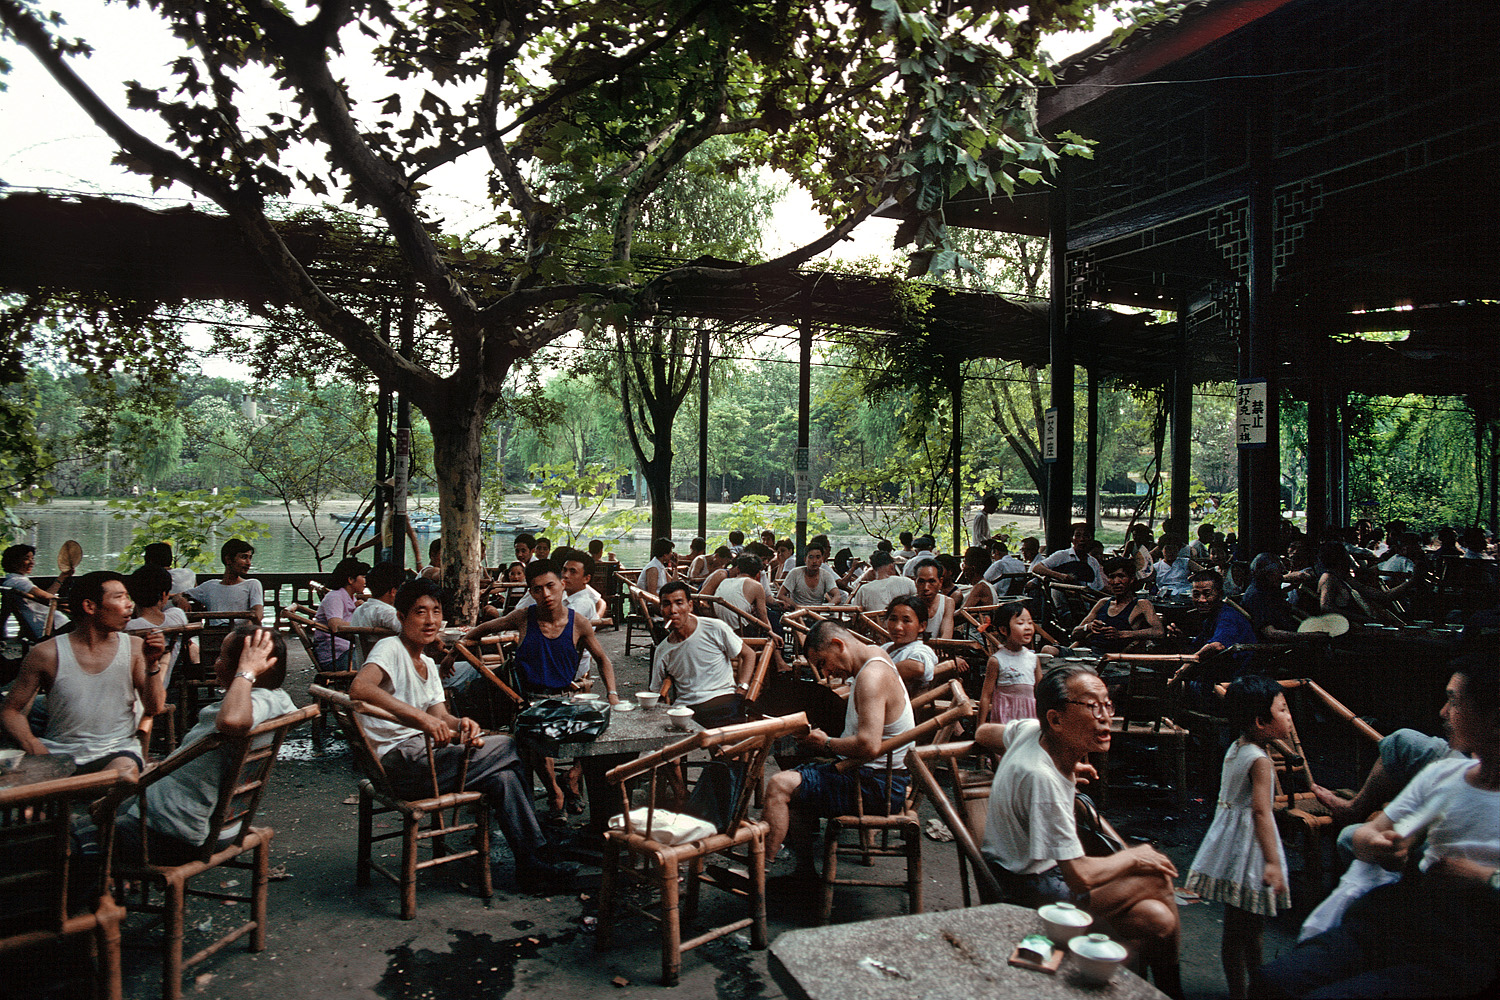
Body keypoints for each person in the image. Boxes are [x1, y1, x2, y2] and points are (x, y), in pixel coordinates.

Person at [1253, 653, 1499, 998]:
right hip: (1403, 919)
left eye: (1455, 702)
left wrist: (1484, 877)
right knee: (1273, 982)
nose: (1443, 713)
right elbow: (1368, 834)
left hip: (1469, 946)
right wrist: (1380, 845)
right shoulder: (1444, 774)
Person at [350, 578, 571, 892]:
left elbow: (441, 716)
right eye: (419, 612)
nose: (430, 621)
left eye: (436, 612)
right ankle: (542, 846)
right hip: (401, 765)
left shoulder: (427, 661)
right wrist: (419, 719)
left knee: (503, 779)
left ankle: (530, 862)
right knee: (511, 743)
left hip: (428, 760)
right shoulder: (391, 648)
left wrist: (462, 723)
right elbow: (360, 688)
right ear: (401, 617)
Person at [976, 663, 1183, 998]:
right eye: (1091, 706)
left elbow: (983, 733)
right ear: (1056, 720)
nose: (1105, 718)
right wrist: (1135, 858)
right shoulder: (1042, 779)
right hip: (1031, 893)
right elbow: (1080, 877)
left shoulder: (1033, 730)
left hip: (1025, 872)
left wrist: (1069, 762)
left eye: (1107, 705)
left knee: (1156, 919)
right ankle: (1173, 992)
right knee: (1156, 879)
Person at [113, 626, 295, 864]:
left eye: (222, 656)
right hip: (212, 826)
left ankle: (106, 893)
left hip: (175, 832)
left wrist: (246, 672)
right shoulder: (277, 699)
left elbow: (231, 721)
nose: (215, 663)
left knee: (72, 839)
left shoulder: (257, 702)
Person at [762, 621, 915, 876]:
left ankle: (762, 868)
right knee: (794, 768)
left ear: (838, 645)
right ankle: (803, 873)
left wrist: (827, 743)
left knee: (779, 785)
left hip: (876, 785)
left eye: (822, 662)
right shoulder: (875, 655)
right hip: (879, 777)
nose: (826, 673)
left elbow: (868, 745)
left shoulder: (871, 677)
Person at [1183, 675, 1292, 999]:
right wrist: (1272, 862)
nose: (1289, 717)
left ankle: (1249, 988)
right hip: (1249, 850)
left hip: (1231, 845)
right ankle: (1247, 991)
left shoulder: (1239, 746)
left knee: (1242, 928)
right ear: (1261, 721)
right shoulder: (1260, 761)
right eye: (1283, 710)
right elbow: (1261, 813)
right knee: (1246, 928)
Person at [1, 570, 168, 780]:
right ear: (90, 606)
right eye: (119, 597)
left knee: (121, 777)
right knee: (22, 802)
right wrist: (32, 744)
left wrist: (152, 664)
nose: (129, 605)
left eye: (128, 597)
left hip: (116, 751)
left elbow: (154, 708)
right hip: (57, 752)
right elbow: (11, 711)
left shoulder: (135, 648)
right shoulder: (46, 653)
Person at [650, 581, 756, 728]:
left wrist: (742, 688)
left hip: (722, 700)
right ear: (661, 609)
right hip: (686, 709)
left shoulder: (714, 628)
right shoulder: (663, 650)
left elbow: (748, 654)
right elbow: (654, 691)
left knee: (724, 748)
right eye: (666, 604)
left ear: (690, 606)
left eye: (679, 603)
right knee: (667, 745)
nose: (673, 610)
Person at [978, 602, 1055, 725]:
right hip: (1005, 719)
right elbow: (986, 696)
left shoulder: (1033, 658)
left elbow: (1040, 692)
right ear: (1003, 630)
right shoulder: (997, 660)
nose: (1028, 627)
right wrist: (980, 728)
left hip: (1029, 718)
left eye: (1030, 623)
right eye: (1020, 623)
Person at [1071, 557, 1165, 653]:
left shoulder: (1141, 604)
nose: (1116, 582)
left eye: (1121, 576)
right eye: (1112, 577)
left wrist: (1122, 634)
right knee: (1055, 651)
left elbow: (1159, 632)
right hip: (1087, 652)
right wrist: (1089, 627)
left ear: (1131, 579)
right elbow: (1075, 633)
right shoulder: (1103, 603)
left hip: (1111, 657)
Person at [126, 565, 193, 686]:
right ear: (163, 596)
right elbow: (174, 608)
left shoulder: (128, 628)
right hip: (161, 686)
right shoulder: (177, 617)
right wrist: (177, 597)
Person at [184, 538, 263, 625]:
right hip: (215, 634)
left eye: (250, 558)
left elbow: (258, 613)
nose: (248, 563)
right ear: (228, 559)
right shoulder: (210, 586)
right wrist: (180, 599)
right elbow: (181, 595)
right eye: (244, 557)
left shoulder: (252, 584)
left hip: (240, 633)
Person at [2, 542, 71, 636]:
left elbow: (43, 598)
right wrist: (76, 604)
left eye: (32, 559)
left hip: (54, 625)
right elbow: (48, 598)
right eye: (26, 559)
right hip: (52, 628)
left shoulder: (14, 581)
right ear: (13, 562)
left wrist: (62, 577)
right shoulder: (19, 582)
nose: (32, 563)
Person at [314, 557, 369, 671]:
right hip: (337, 657)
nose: (365, 581)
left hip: (348, 650)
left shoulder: (350, 597)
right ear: (350, 579)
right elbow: (335, 625)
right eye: (363, 577)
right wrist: (364, 628)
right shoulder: (335, 597)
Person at [880, 594, 939, 688]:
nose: (898, 627)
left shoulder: (920, 650)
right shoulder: (886, 647)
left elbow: (917, 667)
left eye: (906, 621)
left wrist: (872, 672)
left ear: (922, 626)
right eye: (893, 619)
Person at [1033, 522, 1106, 592]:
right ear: (1072, 539)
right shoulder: (1062, 555)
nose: (1082, 539)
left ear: (1091, 539)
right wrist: (1060, 576)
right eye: (1078, 536)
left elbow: (1100, 587)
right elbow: (1037, 568)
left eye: (1086, 536)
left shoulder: (1093, 562)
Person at [777, 541, 845, 607]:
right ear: (805, 560)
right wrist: (796, 606)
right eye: (811, 557)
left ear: (822, 559)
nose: (814, 561)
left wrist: (826, 607)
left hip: (818, 613)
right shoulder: (795, 573)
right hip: (798, 614)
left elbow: (837, 596)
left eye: (818, 557)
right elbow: (780, 595)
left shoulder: (826, 575)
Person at [849, 549, 916, 613]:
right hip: (903, 623)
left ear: (873, 570)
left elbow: (854, 612)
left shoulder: (864, 589)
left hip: (874, 624)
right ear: (892, 566)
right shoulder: (907, 582)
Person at [912, 560, 954, 640]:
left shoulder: (947, 603)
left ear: (940, 582)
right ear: (915, 583)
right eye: (921, 582)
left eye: (932, 581)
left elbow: (946, 636)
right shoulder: (909, 605)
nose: (926, 587)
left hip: (939, 650)